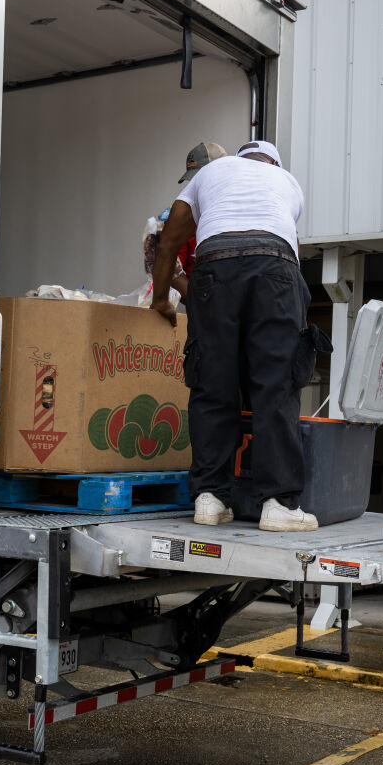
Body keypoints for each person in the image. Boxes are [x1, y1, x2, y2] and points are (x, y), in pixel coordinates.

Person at [150, 139, 315, 532]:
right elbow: (287, 250)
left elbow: (168, 242)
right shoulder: (286, 181)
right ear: (273, 162)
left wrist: (161, 300)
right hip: (274, 267)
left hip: (213, 268)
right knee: (275, 384)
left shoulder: (208, 174)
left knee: (212, 383)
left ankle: (210, 499)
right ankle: (278, 504)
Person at [141, 141, 225, 299]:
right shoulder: (180, 218)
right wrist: (202, 306)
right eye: (193, 181)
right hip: (207, 305)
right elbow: (171, 269)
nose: (198, 186)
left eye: (203, 178)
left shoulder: (241, 210)